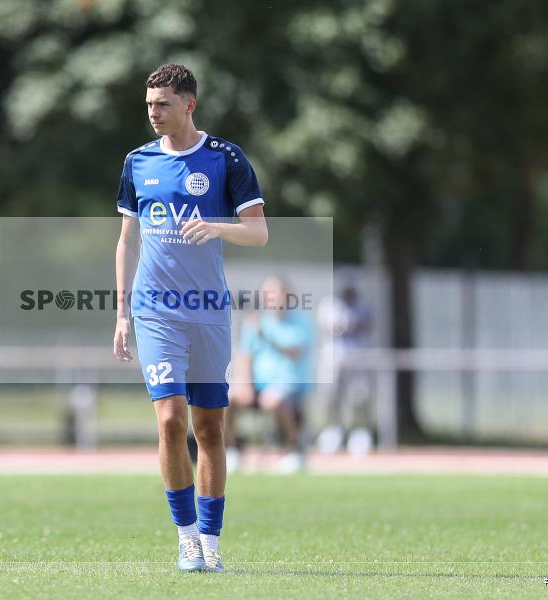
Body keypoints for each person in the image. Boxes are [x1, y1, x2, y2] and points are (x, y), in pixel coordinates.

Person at [112, 64, 268, 574]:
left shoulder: (225, 159)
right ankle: (184, 538)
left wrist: (218, 226)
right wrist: (121, 314)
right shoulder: (138, 162)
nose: (153, 113)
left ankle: (212, 541)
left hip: (208, 312)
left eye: (163, 105)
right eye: (149, 105)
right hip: (155, 311)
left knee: (209, 428)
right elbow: (127, 240)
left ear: (189, 105)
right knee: (170, 421)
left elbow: (258, 232)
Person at [225, 276, 314, 473]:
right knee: (228, 398)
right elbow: (245, 356)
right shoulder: (256, 322)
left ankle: (294, 449)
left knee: (273, 399)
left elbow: (294, 352)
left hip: (289, 384)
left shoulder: (301, 322)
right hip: (258, 385)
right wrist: (246, 384)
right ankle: (233, 448)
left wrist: (265, 335)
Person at [317, 280, 373, 453]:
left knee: (359, 396)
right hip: (332, 359)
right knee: (331, 397)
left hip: (357, 358)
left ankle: (360, 432)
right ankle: (333, 431)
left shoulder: (362, 306)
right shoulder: (329, 305)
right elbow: (328, 328)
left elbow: (367, 326)